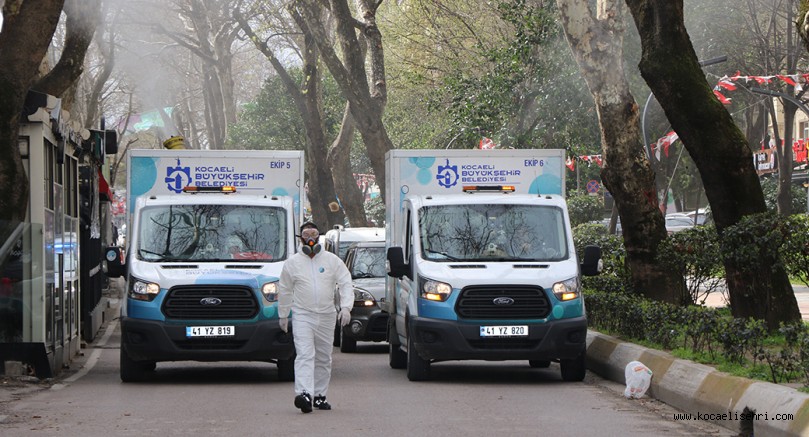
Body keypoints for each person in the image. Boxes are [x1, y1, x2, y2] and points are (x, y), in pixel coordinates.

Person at [278, 221, 353, 413]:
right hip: (303, 314)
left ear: (319, 236)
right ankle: (304, 394)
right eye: (306, 234)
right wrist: (283, 314)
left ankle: (320, 395)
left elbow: (345, 281)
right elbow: (285, 289)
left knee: (323, 356)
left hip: (327, 315)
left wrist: (346, 307)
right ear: (300, 238)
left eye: (313, 234)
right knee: (304, 354)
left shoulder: (331, 260)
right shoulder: (292, 263)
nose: (310, 238)